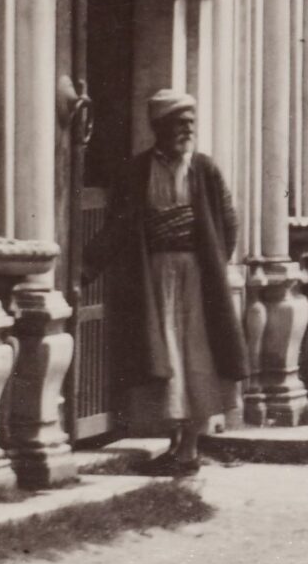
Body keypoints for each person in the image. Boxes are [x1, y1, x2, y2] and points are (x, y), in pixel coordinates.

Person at [87, 89, 244, 474]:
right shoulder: (138, 171)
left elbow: (228, 221)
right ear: (159, 128)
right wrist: (85, 269)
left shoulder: (204, 169)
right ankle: (176, 443)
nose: (187, 130)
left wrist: (214, 264)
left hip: (197, 278)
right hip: (153, 276)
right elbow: (118, 226)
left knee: (195, 356)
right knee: (165, 355)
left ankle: (189, 449)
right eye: (179, 123)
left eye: (190, 123)